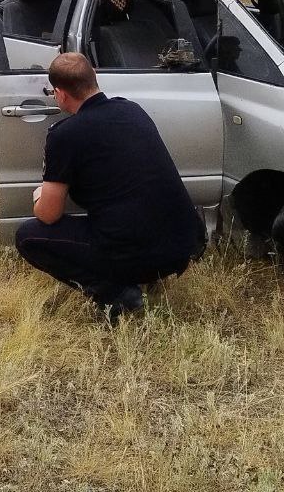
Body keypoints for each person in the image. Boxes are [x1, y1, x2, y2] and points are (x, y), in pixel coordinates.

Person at [15, 53, 206, 320]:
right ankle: (146, 276)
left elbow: (49, 214)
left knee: (27, 236)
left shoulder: (64, 135)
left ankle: (117, 294)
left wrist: (39, 196)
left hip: (140, 255)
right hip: (184, 245)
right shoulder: (132, 110)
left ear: (59, 94)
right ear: (94, 76)